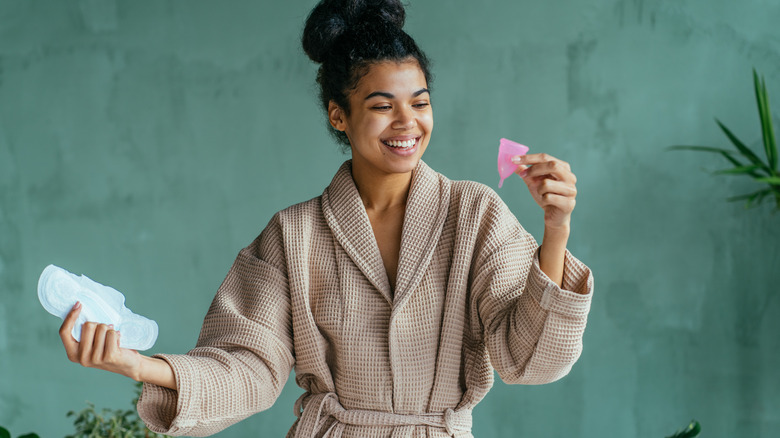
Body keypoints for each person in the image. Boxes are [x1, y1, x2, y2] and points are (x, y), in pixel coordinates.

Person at [58, 0, 594, 436]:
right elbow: (247, 366)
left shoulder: (474, 214)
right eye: (383, 105)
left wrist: (555, 229)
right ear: (340, 114)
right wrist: (136, 365)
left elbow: (531, 361)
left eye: (421, 102)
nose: (408, 122)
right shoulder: (293, 235)